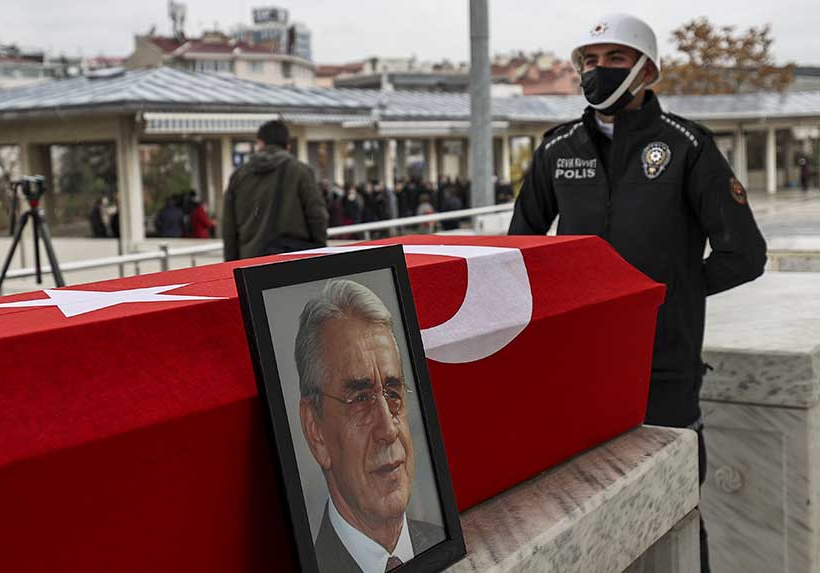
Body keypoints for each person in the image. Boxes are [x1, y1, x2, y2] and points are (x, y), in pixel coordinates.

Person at [507, 14, 768, 572]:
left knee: (676, 509)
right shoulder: (558, 149)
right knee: (589, 516)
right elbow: (519, 252)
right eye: (590, 62)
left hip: (664, 371)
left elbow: (745, 254)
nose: (598, 72)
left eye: (615, 60)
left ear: (647, 69)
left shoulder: (687, 146)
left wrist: (669, 292)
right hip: (579, 373)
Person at [295, 280, 444, 573]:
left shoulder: (439, 538)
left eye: (393, 392)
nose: (389, 430)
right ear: (316, 432)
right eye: (360, 398)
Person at [221, 120, 328, 261]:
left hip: (252, 263)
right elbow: (317, 216)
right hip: (296, 260)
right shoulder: (301, 171)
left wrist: (232, 264)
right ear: (287, 145)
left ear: (260, 143)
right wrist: (320, 251)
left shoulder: (239, 176)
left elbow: (229, 228)